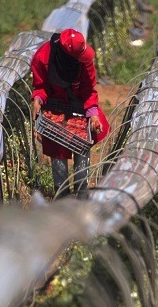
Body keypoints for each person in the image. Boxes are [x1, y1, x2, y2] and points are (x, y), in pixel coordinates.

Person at [31, 28, 110, 198]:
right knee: (57, 153)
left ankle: (82, 193)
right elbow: (41, 86)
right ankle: (62, 195)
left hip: (79, 109)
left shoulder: (83, 58)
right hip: (54, 109)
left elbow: (89, 90)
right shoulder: (43, 58)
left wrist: (93, 114)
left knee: (82, 147)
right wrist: (38, 99)